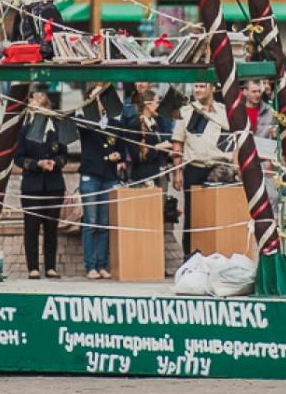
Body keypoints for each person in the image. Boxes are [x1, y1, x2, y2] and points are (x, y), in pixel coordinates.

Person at [171, 81, 231, 257]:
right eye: (195, 86)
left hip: (220, 169)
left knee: (220, 215)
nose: (197, 90)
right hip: (194, 169)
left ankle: (219, 253)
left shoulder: (223, 111)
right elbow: (177, 144)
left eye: (202, 86)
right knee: (192, 216)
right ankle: (190, 256)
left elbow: (235, 140)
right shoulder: (186, 112)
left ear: (212, 88)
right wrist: (177, 172)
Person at [16, 85, 67, 279]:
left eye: (41, 103)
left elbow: (64, 155)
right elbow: (19, 158)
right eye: (34, 102)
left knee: (51, 228)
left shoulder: (56, 128)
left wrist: (55, 162)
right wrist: (37, 164)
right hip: (33, 185)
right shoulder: (25, 129)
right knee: (31, 227)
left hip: (53, 184)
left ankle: (51, 266)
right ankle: (33, 267)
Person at [78, 82, 125, 280]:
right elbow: (79, 126)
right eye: (96, 97)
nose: (100, 101)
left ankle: (102, 264)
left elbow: (122, 148)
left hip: (109, 176)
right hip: (91, 175)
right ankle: (90, 266)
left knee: (105, 223)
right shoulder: (85, 121)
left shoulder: (115, 123)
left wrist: (118, 156)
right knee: (91, 222)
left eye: (102, 97)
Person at [125, 89, 172, 185]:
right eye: (157, 102)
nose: (159, 106)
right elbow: (136, 156)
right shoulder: (135, 124)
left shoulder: (155, 122)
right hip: (145, 177)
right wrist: (157, 148)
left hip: (160, 174)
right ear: (148, 105)